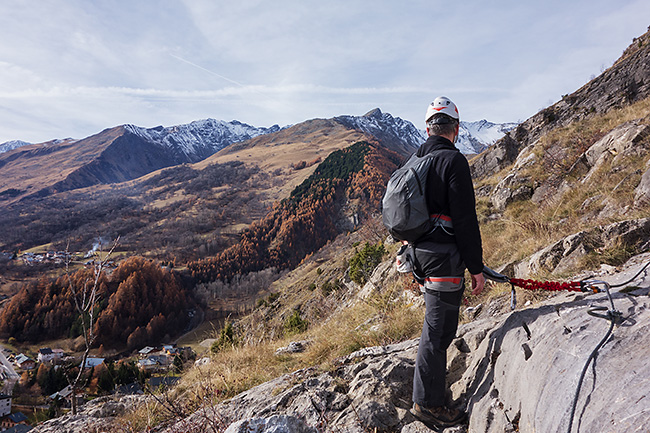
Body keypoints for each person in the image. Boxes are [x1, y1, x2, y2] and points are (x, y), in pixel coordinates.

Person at [408, 96, 485, 428]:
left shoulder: (414, 161)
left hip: (418, 256)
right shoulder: (453, 162)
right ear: (455, 128)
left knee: (433, 326)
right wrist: (476, 268)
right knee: (438, 334)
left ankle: (430, 395)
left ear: (429, 129)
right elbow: (465, 220)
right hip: (442, 260)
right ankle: (428, 405)